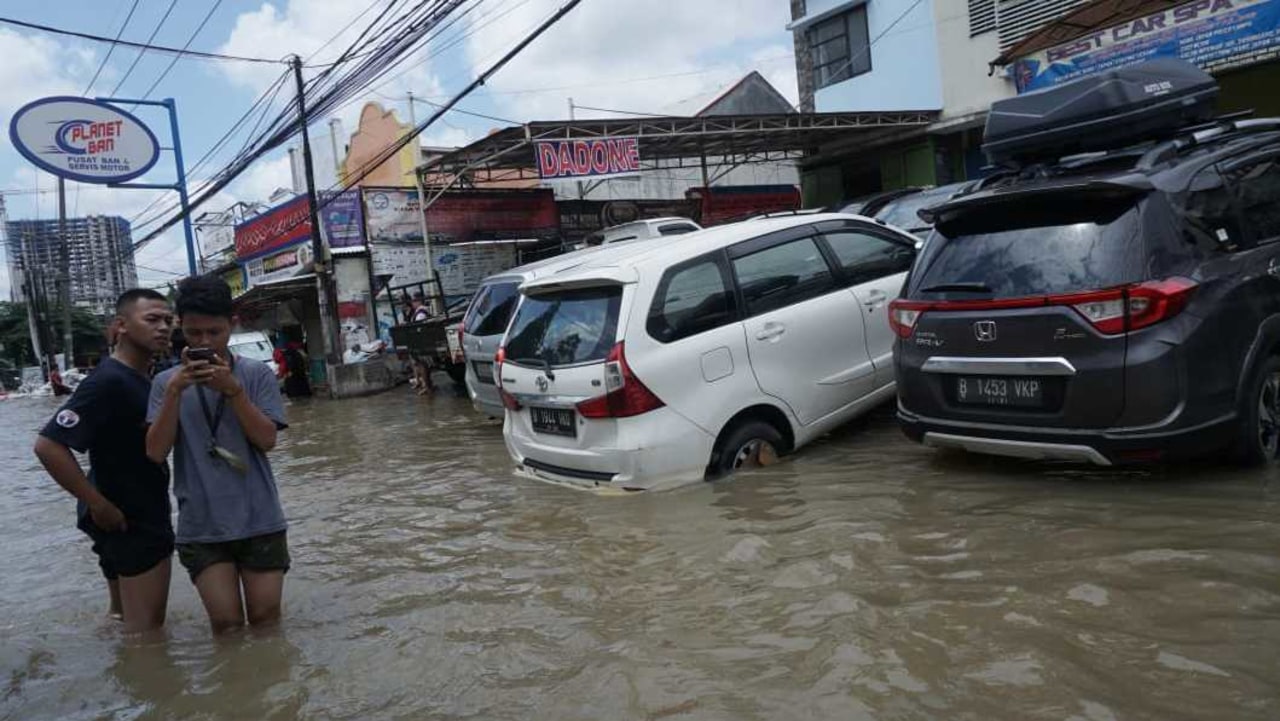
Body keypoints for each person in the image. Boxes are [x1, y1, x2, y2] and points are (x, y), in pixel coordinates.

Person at [145, 274, 290, 635]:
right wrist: (177, 391)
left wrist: (233, 392)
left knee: (266, 622)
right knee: (225, 626)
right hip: (202, 526)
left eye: (215, 332)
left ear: (232, 324)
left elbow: (267, 440)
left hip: (260, 518)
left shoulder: (255, 375)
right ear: (182, 328)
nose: (205, 341)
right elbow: (155, 452)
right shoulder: (166, 383)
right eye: (194, 334)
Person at [33, 289, 175, 633]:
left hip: (121, 511)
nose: (163, 328)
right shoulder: (109, 380)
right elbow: (48, 445)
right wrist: (97, 503)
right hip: (130, 517)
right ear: (121, 326)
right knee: (147, 633)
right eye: (152, 319)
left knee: (121, 621)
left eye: (168, 320)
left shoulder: (142, 377)